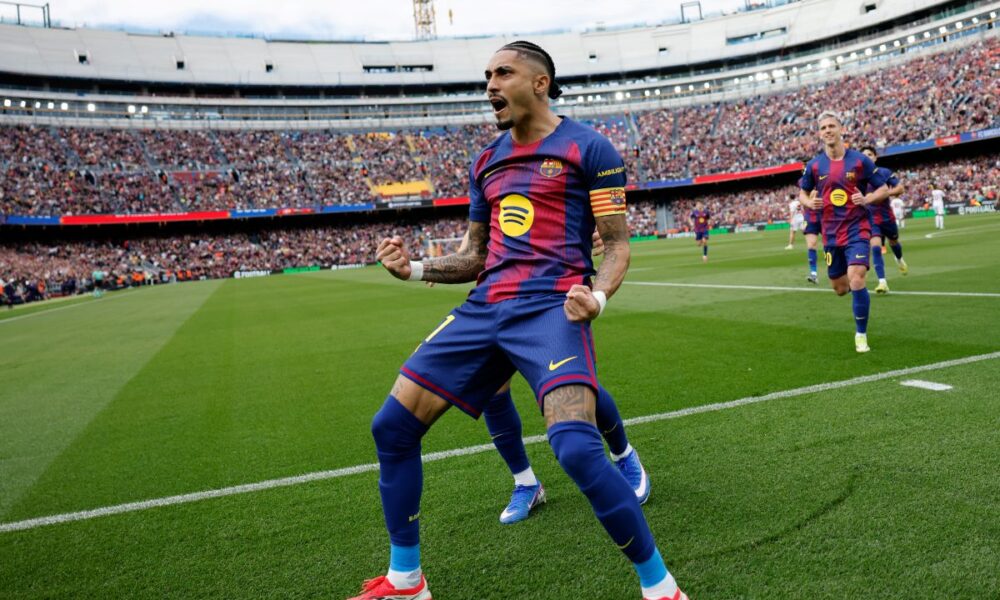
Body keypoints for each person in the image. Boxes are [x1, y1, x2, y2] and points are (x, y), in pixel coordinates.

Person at [351, 41, 686, 600]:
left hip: (550, 307)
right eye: (485, 75)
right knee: (391, 426)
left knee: (577, 450)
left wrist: (598, 298)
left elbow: (618, 246)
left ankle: (662, 589)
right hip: (486, 308)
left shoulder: (590, 147)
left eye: (502, 73)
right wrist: (412, 269)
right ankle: (407, 580)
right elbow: (474, 256)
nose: (489, 85)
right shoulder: (485, 160)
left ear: (540, 82)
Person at [439, 231, 652, 524]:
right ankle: (526, 483)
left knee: (572, 381)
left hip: (550, 285)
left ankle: (623, 454)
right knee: (491, 387)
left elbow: (601, 205)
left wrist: (597, 226)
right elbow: (482, 220)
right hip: (497, 287)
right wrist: (452, 259)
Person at [799, 111, 889, 353]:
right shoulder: (815, 165)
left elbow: (883, 189)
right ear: (819, 134)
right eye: (823, 127)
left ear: (841, 129)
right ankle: (853, 288)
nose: (828, 130)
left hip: (857, 228)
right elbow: (802, 193)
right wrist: (809, 203)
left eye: (832, 126)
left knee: (857, 277)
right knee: (840, 288)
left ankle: (861, 334)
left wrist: (867, 198)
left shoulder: (860, 161)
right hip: (830, 234)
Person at [859, 146, 909, 294]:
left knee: (894, 242)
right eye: (864, 155)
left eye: (869, 154)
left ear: (875, 157)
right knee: (875, 247)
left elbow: (900, 189)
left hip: (887, 217)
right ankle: (882, 282)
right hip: (870, 218)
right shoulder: (857, 177)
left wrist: (883, 194)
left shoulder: (884, 172)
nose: (866, 157)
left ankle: (899, 259)